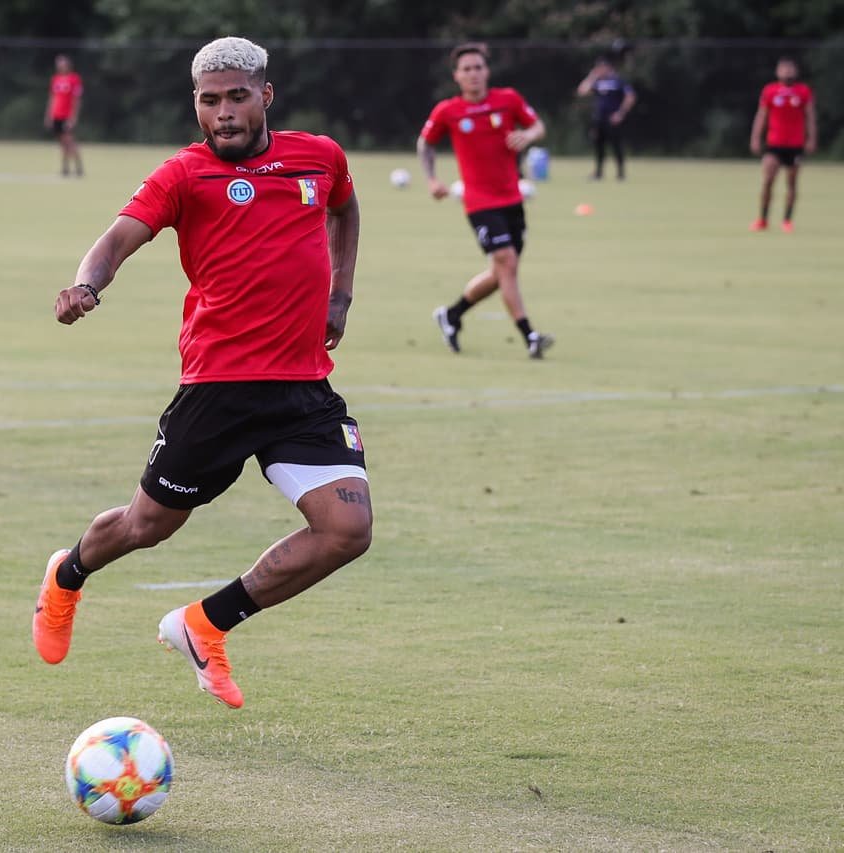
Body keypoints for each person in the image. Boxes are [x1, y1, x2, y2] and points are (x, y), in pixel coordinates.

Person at [32, 36, 370, 710]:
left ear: (264, 96)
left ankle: (205, 623)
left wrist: (339, 294)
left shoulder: (319, 157)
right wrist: (87, 286)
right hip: (217, 389)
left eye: (236, 97)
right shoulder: (184, 174)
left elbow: (345, 209)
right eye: (209, 100)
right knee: (146, 526)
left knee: (347, 530)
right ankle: (66, 573)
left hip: (303, 387)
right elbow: (118, 237)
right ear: (196, 103)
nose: (222, 112)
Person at [417, 42, 553, 359]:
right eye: (466, 69)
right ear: (457, 76)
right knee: (506, 263)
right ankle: (530, 335)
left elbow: (538, 126)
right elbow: (425, 144)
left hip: (512, 199)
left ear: (487, 71)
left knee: (502, 272)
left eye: (478, 67)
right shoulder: (447, 110)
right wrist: (432, 179)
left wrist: (528, 136)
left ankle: (451, 315)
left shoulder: (508, 100)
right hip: (479, 202)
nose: (473, 74)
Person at [749, 57, 816, 233]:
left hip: (795, 144)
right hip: (774, 143)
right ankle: (763, 219)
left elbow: (810, 117)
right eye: (783, 69)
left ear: (796, 71)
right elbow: (761, 116)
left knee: (792, 183)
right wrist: (755, 137)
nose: (787, 72)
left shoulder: (803, 91)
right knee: (768, 180)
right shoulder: (770, 91)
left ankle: (787, 220)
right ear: (777, 72)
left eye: (790, 69)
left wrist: (811, 139)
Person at [576, 55, 636, 180]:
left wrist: (620, 113)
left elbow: (630, 96)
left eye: (602, 67)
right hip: (599, 120)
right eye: (598, 67)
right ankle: (598, 173)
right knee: (599, 146)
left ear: (608, 68)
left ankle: (621, 174)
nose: (600, 70)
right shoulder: (597, 82)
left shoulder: (618, 81)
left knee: (616, 146)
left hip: (613, 120)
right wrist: (592, 76)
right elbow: (581, 91)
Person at [45, 54, 84, 177]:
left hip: (67, 116)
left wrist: (73, 117)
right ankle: (65, 168)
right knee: (62, 143)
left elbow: (77, 99)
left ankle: (79, 168)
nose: (59, 66)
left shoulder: (74, 79)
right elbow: (52, 98)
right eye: (58, 63)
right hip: (56, 115)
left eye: (62, 63)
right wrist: (49, 115)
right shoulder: (55, 79)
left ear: (67, 65)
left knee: (69, 141)